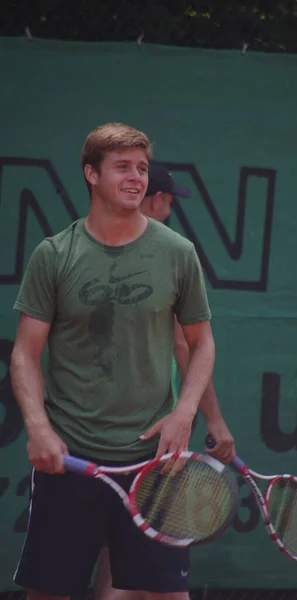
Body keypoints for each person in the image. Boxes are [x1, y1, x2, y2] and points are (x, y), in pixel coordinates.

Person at [9, 123, 228, 600]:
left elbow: (202, 342)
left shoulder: (178, 253)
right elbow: (25, 352)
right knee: (50, 592)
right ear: (91, 173)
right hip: (70, 459)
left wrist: (184, 412)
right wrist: (38, 427)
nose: (136, 178)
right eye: (122, 167)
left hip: (153, 462)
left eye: (142, 169)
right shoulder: (54, 255)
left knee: (166, 596)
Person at [92, 161, 235, 600]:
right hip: (154, 439)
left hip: (97, 430)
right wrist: (214, 421)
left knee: (112, 561)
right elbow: (186, 347)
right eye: (170, 202)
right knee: (167, 588)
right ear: (156, 200)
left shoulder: (95, 251)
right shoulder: (170, 258)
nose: (171, 211)